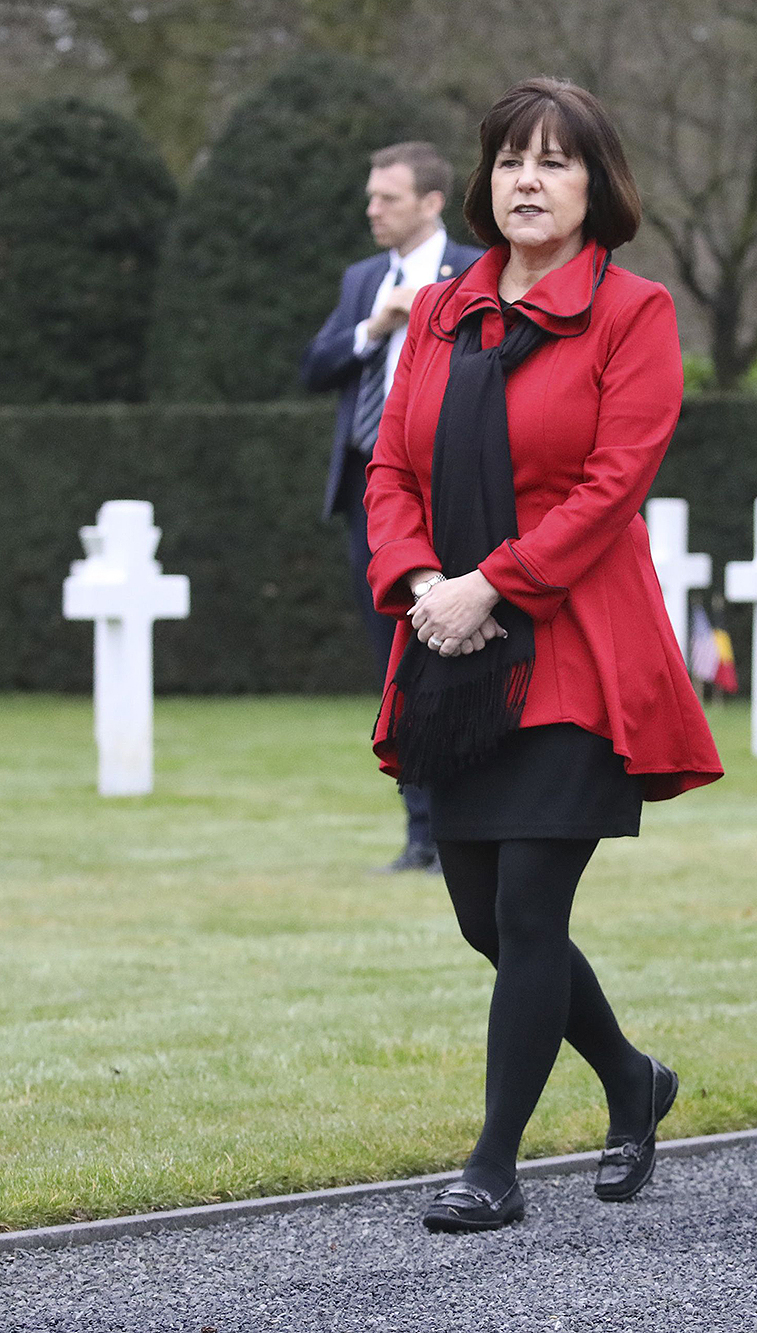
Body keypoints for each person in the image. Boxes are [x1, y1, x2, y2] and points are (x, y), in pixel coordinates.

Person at [364, 77, 723, 1232]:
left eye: (556, 161)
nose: (528, 178)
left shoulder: (636, 311)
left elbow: (614, 485)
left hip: (574, 645)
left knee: (526, 907)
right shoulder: (439, 311)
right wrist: (425, 582)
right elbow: (389, 471)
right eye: (512, 158)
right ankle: (630, 1076)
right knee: (481, 913)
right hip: (451, 643)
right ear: (484, 182)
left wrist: (491, 585)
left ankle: (494, 1167)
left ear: (594, 184)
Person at [301, 141, 482, 872]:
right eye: (372, 196)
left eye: (388, 198)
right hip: (366, 499)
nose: (372, 209)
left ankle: (466, 824)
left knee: (456, 658)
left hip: (448, 497)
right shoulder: (361, 280)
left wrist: (429, 312)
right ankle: (421, 832)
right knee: (394, 666)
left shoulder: (474, 271)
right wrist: (375, 326)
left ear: (432, 203)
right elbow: (315, 367)